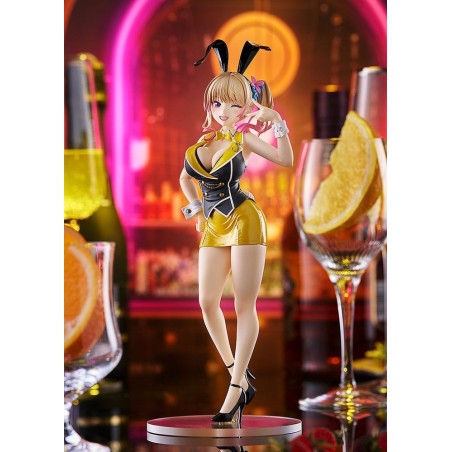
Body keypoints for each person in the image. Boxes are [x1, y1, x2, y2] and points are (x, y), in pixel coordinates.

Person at [179, 39, 294, 426]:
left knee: (244, 305)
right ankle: (239, 375)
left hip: (244, 219)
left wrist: (278, 123)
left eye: (234, 105)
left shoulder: (243, 138)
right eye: (217, 104)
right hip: (214, 223)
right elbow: (185, 177)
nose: (223, 112)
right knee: (207, 302)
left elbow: (285, 159)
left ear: (247, 107)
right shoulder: (203, 143)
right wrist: (196, 209)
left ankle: (233, 390)